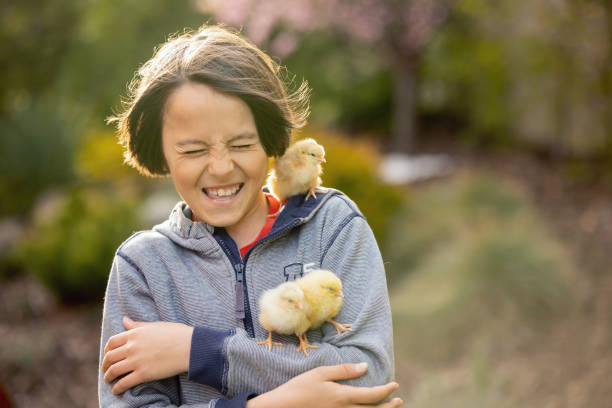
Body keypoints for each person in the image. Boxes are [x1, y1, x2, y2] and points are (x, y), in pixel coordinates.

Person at [98, 24, 400, 407]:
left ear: (270, 138)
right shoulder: (142, 267)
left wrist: (198, 352)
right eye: (192, 151)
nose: (221, 167)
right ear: (161, 153)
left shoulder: (332, 226)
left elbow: (367, 376)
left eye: (241, 144)